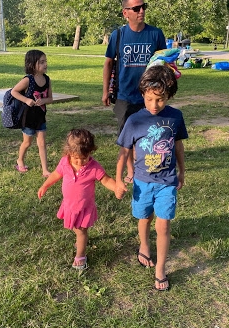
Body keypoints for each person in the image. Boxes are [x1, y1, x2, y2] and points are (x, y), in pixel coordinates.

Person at [115, 65, 188, 291]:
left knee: (163, 225)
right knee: (144, 218)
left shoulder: (176, 117)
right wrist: (119, 178)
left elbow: (178, 146)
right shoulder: (134, 120)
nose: (154, 105)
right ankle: (144, 246)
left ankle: (161, 269)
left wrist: (182, 171)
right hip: (142, 182)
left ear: (169, 96)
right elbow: (124, 151)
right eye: (149, 99)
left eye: (160, 100)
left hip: (167, 181)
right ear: (143, 95)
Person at [103, 0, 166, 183]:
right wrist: (105, 91)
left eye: (143, 7)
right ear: (125, 13)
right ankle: (131, 172)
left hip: (150, 95)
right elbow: (108, 63)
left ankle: (147, 167)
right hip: (125, 95)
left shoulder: (155, 33)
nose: (141, 11)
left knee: (150, 135)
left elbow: (163, 62)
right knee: (127, 137)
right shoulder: (118, 35)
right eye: (136, 8)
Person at [38, 129, 116, 270]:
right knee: (76, 228)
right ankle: (81, 240)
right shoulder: (64, 163)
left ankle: (81, 255)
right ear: (68, 153)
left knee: (80, 230)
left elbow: (106, 180)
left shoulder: (94, 167)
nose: (80, 162)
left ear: (90, 152)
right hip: (70, 205)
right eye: (76, 158)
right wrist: (45, 185)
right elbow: (56, 174)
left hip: (84, 208)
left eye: (84, 158)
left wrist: (116, 187)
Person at [12, 50, 53, 177]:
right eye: (41, 62)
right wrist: (26, 100)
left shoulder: (47, 79)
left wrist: (43, 100)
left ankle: (45, 170)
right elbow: (14, 91)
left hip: (40, 116)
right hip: (28, 117)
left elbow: (50, 98)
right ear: (32, 64)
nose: (45, 64)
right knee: (27, 142)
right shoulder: (27, 80)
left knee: (42, 143)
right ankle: (20, 160)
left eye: (45, 61)